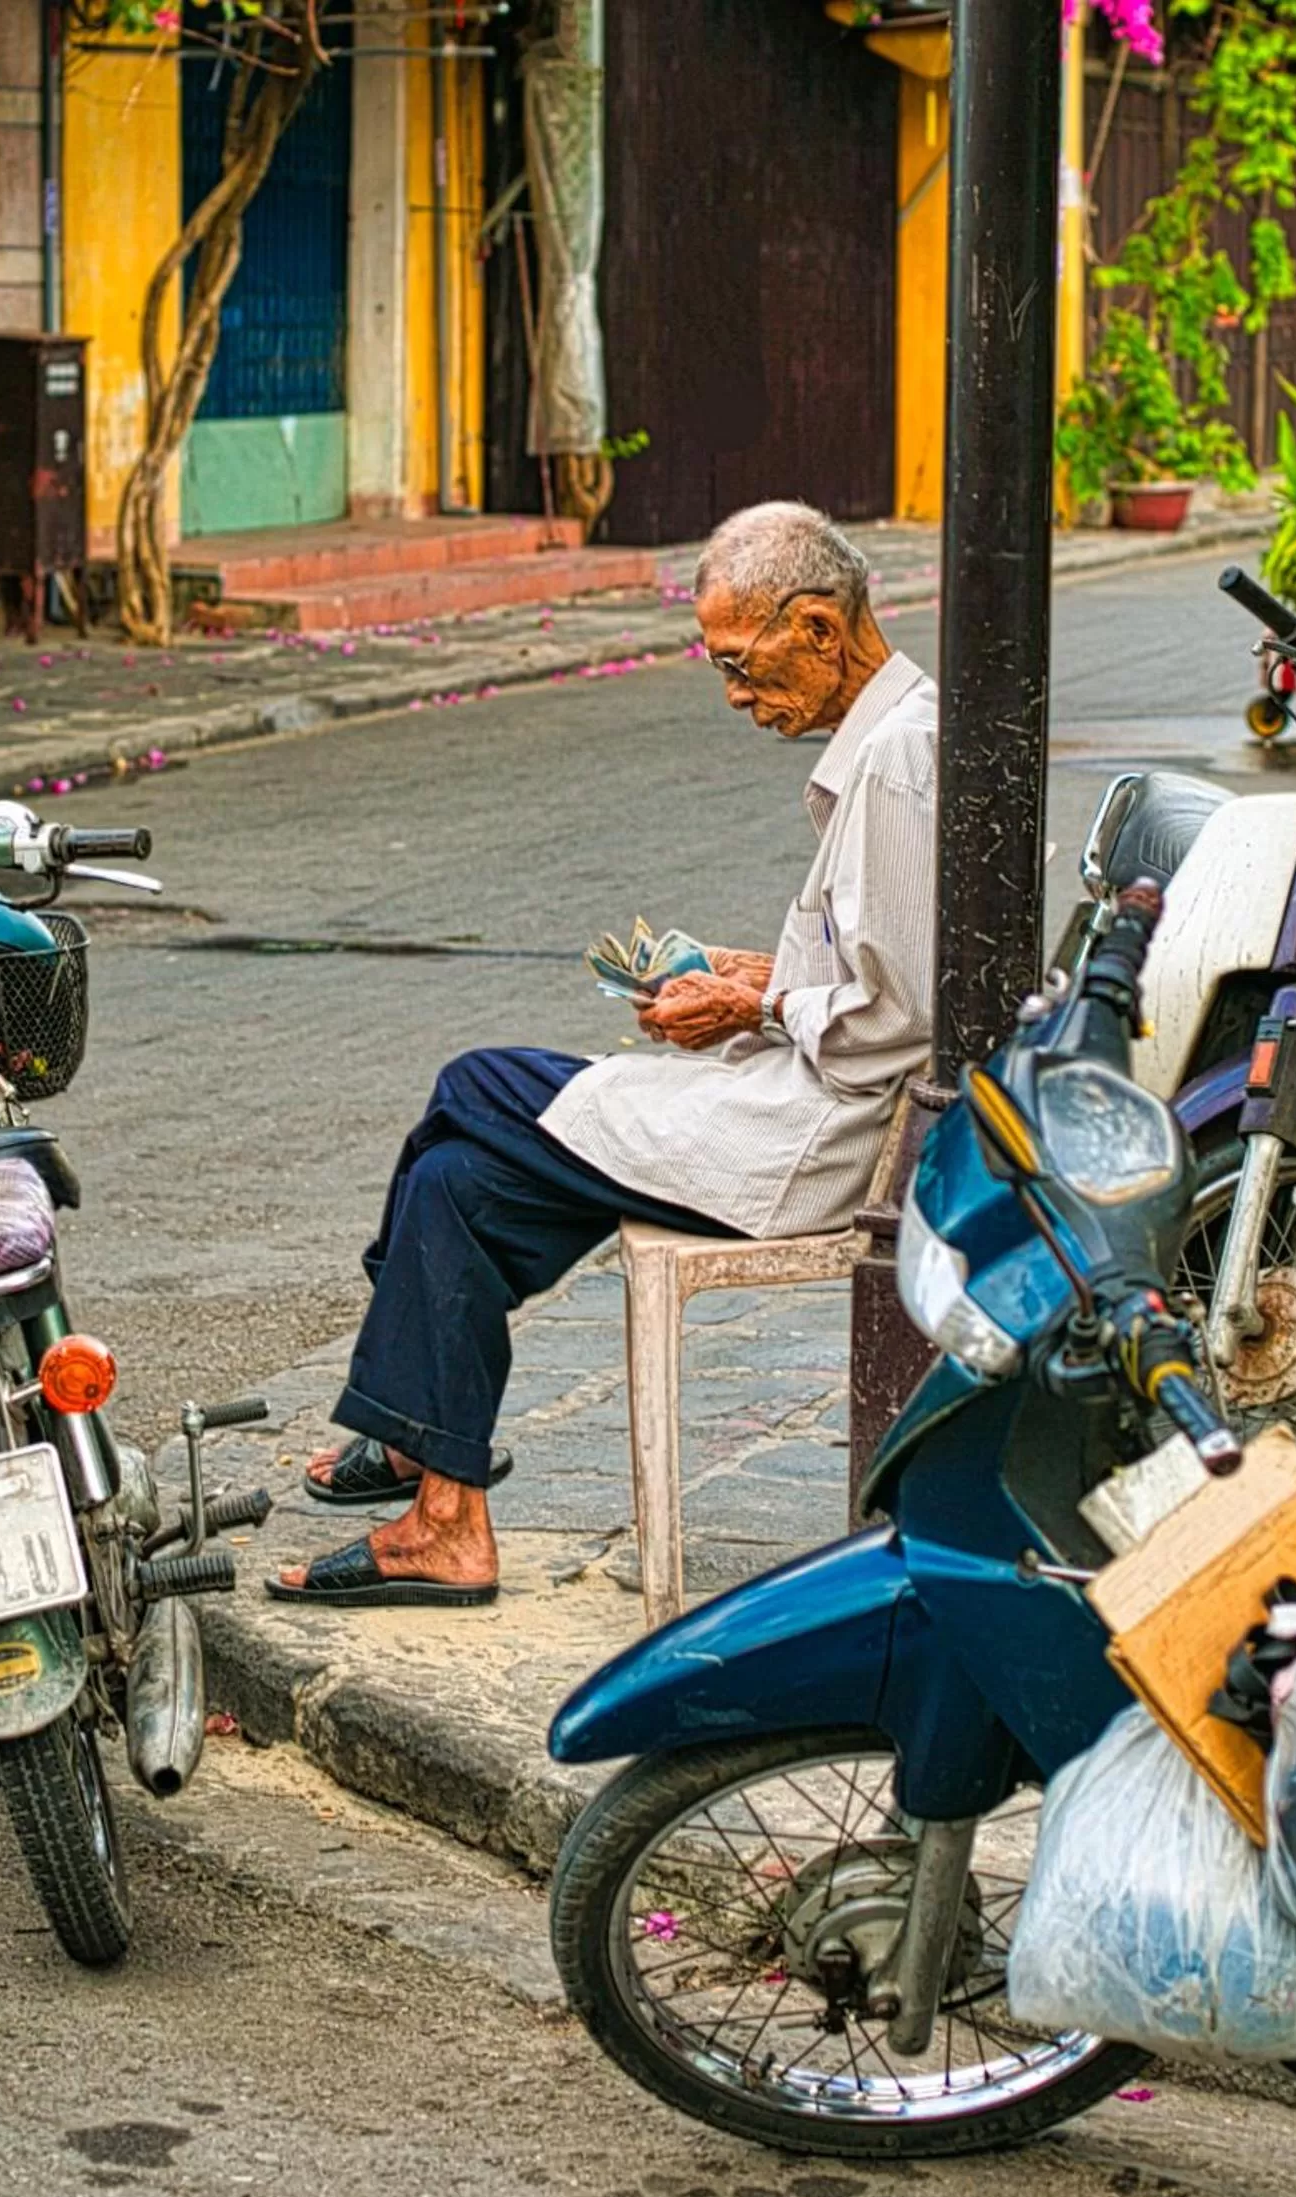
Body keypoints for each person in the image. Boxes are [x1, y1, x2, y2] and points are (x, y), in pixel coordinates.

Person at [271, 500, 937, 1608]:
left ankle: (411, 1443)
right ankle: (443, 1516)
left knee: (474, 1085)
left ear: (820, 628)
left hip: (822, 1139)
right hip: (806, 1107)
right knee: (455, 1185)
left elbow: (900, 1015)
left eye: (742, 664)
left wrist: (754, 1007)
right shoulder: (889, 741)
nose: (736, 696)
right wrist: (746, 975)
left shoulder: (900, 762)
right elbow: (874, 971)